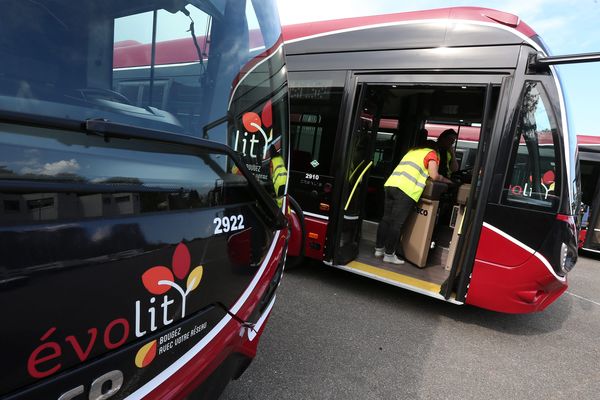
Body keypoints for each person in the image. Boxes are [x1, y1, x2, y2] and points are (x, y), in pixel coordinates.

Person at [374, 142, 454, 264]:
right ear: (435, 149)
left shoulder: (412, 151)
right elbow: (434, 175)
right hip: (406, 189)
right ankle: (389, 254)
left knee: (386, 219)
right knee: (397, 223)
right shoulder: (431, 154)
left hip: (391, 185)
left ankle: (379, 249)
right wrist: (447, 181)